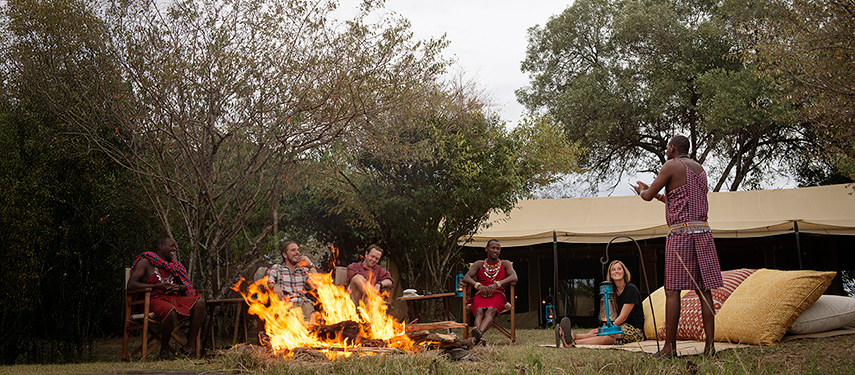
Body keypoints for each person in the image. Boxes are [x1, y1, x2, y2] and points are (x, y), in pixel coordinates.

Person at [634, 134, 723, 357]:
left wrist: (643, 192)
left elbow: (646, 196)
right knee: (704, 291)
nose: (666, 150)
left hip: (680, 234)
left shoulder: (671, 165)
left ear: (673, 148)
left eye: (667, 147)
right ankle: (710, 347)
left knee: (672, 290)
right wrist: (658, 197)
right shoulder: (699, 169)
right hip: (703, 232)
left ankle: (669, 348)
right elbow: (681, 200)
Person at [128, 236, 206, 360]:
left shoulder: (174, 266)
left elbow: (186, 287)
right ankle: (164, 350)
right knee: (169, 310)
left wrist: (178, 288)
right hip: (152, 300)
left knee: (200, 302)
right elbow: (131, 285)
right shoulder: (146, 261)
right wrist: (156, 286)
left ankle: (189, 347)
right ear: (161, 247)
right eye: (172, 246)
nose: (174, 249)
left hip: (174, 299)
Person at [558, 260, 645, 347]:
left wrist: (609, 328)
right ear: (610, 274)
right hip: (619, 325)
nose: (617, 271)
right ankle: (574, 336)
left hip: (633, 329)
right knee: (598, 332)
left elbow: (623, 317)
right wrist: (605, 328)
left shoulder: (631, 289)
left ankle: (573, 343)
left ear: (624, 273)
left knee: (611, 335)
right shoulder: (612, 291)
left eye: (619, 269)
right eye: (613, 270)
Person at [463, 239, 518, 345]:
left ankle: (477, 334)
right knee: (479, 311)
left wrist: (497, 284)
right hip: (481, 294)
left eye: (498, 248)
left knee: (491, 310)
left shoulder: (505, 263)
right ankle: (479, 338)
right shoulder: (479, 264)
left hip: (497, 294)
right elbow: (466, 277)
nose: (495, 250)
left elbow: (514, 277)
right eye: (493, 248)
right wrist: (478, 285)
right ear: (486, 249)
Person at [266, 240, 318, 320]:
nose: (297, 252)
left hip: (304, 304)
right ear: (285, 255)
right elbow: (268, 281)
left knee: (313, 327)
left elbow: (318, 283)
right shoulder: (277, 268)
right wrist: (274, 286)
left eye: (298, 250)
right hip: (286, 305)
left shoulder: (303, 270)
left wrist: (310, 265)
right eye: (293, 250)